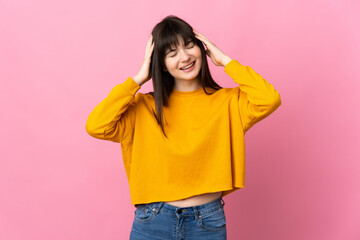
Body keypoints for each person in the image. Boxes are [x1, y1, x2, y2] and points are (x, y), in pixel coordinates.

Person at [85, 15, 281, 240]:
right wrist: (138, 79)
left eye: (189, 46)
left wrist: (226, 61)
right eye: (172, 53)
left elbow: (269, 99)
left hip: (207, 220)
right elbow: (96, 125)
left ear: (202, 48)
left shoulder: (229, 102)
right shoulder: (143, 108)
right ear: (161, 64)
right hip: (153, 219)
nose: (185, 56)